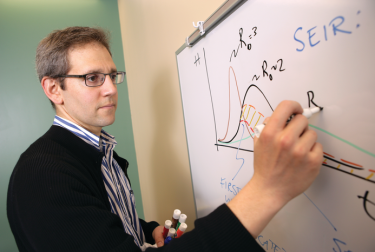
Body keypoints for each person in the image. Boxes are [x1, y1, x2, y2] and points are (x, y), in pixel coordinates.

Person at [7, 26, 323, 252]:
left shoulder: (101, 151)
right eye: (92, 78)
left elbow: (100, 224)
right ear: (53, 89)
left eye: (113, 76)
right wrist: (267, 190)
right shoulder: (42, 175)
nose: (111, 89)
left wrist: (148, 230)